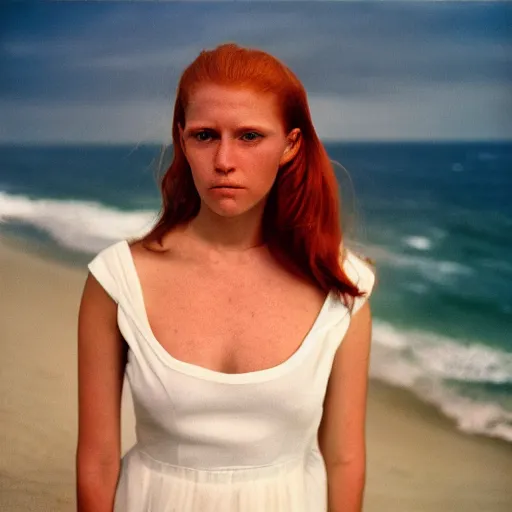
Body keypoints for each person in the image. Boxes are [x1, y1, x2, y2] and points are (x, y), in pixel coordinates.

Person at [76, 43, 376, 512]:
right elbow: (96, 463)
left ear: (290, 145)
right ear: (182, 140)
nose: (224, 160)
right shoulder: (117, 280)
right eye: (204, 135)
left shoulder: (340, 287)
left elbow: (344, 459)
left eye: (250, 136)